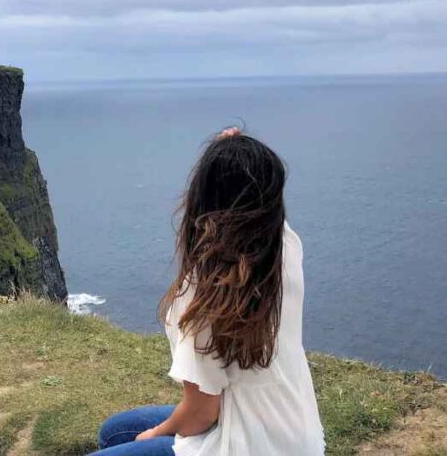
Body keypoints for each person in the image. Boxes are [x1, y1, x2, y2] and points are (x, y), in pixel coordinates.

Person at [92, 127, 324, 455]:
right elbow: (257, 196)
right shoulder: (283, 249)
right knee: (116, 432)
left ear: (204, 197)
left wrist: (156, 434)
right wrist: (234, 157)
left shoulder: (206, 292)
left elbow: (202, 413)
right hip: (296, 439)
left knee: (135, 437)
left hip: (241, 445)